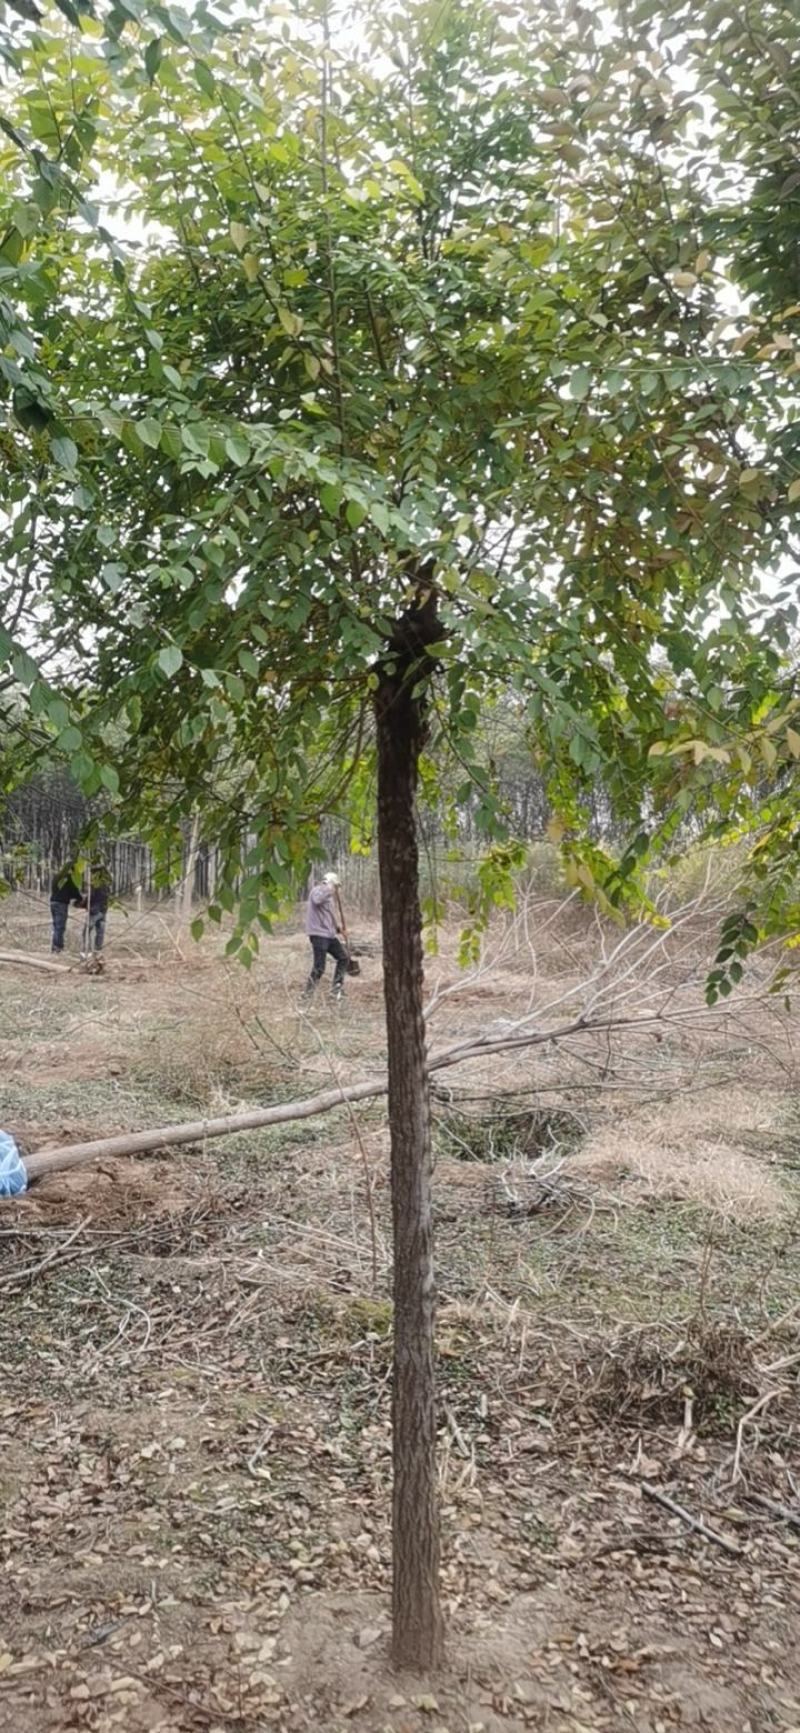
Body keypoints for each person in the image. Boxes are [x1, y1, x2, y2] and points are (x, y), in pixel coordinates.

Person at [302, 871, 349, 1002]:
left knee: (343, 958)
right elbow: (317, 900)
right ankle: (306, 995)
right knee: (319, 967)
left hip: (329, 935)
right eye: (336, 887)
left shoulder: (329, 898)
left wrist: (339, 930)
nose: (336, 890)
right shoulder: (318, 891)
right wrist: (329, 888)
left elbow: (329, 919)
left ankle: (336, 989)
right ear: (330, 883)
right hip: (318, 935)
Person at [50, 861, 86, 953]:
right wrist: (81, 899)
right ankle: (57, 948)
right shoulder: (69, 878)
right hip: (61, 904)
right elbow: (74, 891)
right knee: (60, 927)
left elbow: (56, 889)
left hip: (53, 902)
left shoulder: (57, 876)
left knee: (55, 926)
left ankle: (55, 947)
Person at [81, 858, 111, 963]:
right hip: (103, 911)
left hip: (95, 911)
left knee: (86, 931)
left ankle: (87, 953)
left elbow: (91, 896)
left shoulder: (96, 884)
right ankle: (98, 952)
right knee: (100, 932)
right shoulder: (107, 883)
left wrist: (83, 904)